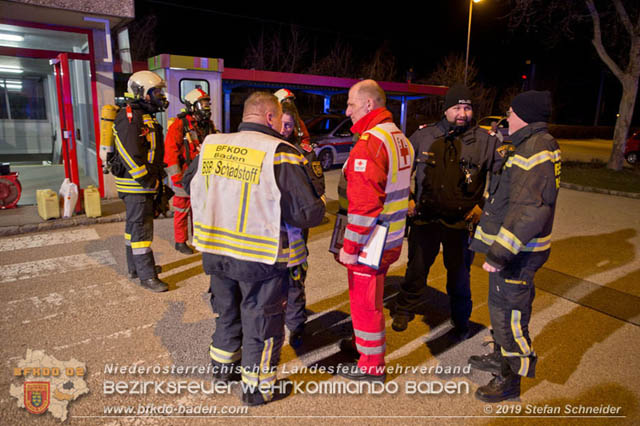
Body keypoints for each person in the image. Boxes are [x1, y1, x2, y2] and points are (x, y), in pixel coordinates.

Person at [185, 92, 325, 406]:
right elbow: (307, 213)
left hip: (216, 250)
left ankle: (223, 369)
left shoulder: (212, 144)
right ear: (271, 117)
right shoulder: (279, 153)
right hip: (259, 256)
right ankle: (258, 388)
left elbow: (187, 182)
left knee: (227, 312)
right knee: (262, 322)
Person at [468, 90, 560, 402]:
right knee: (499, 308)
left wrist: (500, 252)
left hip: (520, 252)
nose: (507, 117)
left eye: (511, 112)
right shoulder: (528, 144)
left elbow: (530, 209)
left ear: (525, 115)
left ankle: (510, 379)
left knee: (511, 315)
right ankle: (501, 358)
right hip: (514, 249)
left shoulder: (535, 148)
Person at [391, 84, 502, 339]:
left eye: (467, 108)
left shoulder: (485, 142)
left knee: (459, 274)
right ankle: (405, 308)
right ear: (446, 110)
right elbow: (401, 170)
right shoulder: (424, 136)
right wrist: (407, 197)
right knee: (416, 268)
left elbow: (501, 179)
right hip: (425, 218)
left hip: (462, 222)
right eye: (456, 108)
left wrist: (483, 205)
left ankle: (460, 318)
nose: (462, 113)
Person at [336, 79, 413, 383]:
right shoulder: (398, 137)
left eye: (351, 104)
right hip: (390, 236)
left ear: (369, 104)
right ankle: (362, 344)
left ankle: (371, 365)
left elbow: (365, 206)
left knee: (365, 304)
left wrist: (350, 248)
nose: (347, 111)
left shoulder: (371, 142)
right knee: (371, 299)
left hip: (371, 242)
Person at [111, 70, 169, 293]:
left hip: (141, 185)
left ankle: (135, 268)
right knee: (141, 230)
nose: (160, 96)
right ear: (141, 92)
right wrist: (147, 181)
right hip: (137, 186)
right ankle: (147, 276)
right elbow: (129, 153)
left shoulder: (141, 115)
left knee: (132, 229)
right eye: (155, 91)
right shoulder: (129, 117)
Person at [278, 98, 325, 348]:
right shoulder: (266, 150)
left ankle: (296, 325)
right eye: (282, 124)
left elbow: (318, 188)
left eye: (290, 125)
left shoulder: (305, 152)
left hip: (296, 226)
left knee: (296, 275)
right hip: (269, 229)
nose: (285, 130)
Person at [164, 88, 217, 255]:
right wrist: (176, 176)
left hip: (202, 174)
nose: (206, 107)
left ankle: (199, 238)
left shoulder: (208, 125)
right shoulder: (180, 125)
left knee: (200, 208)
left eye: (207, 103)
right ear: (192, 106)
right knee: (182, 209)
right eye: (203, 103)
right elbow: (170, 152)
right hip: (185, 175)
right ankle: (180, 241)